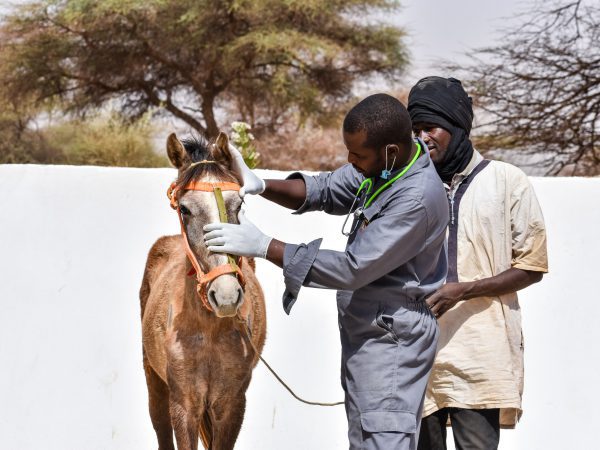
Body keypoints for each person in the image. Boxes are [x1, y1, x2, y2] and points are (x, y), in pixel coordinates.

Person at [204, 93, 449, 450]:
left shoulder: (416, 198)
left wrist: (264, 245)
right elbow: (323, 189)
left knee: (382, 440)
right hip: (369, 335)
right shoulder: (383, 168)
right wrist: (260, 183)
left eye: (358, 156)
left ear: (390, 151)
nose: (351, 162)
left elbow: (354, 268)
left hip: (392, 344)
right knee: (365, 439)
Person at [407, 76, 548, 450]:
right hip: (418, 350)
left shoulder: (506, 181)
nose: (423, 137)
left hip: (481, 350)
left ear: (455, 128)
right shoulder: (407, 188)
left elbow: (532, 266)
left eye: (431, 128)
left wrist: (466, 289)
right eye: (416, 129)